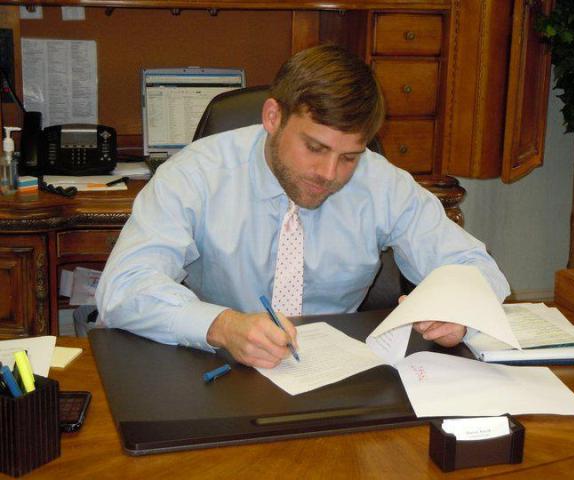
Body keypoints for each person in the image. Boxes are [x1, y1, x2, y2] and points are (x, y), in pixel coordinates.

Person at [95, 44, 509, 369]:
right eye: (314, 148)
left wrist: (457, 308)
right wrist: (221, 325)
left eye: (349, 157)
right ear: (273, 117)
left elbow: (475, 266)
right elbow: (124, 287)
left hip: (341, 372)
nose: (329, 174)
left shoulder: (381, 183)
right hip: (221, 367)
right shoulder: (196, 175)